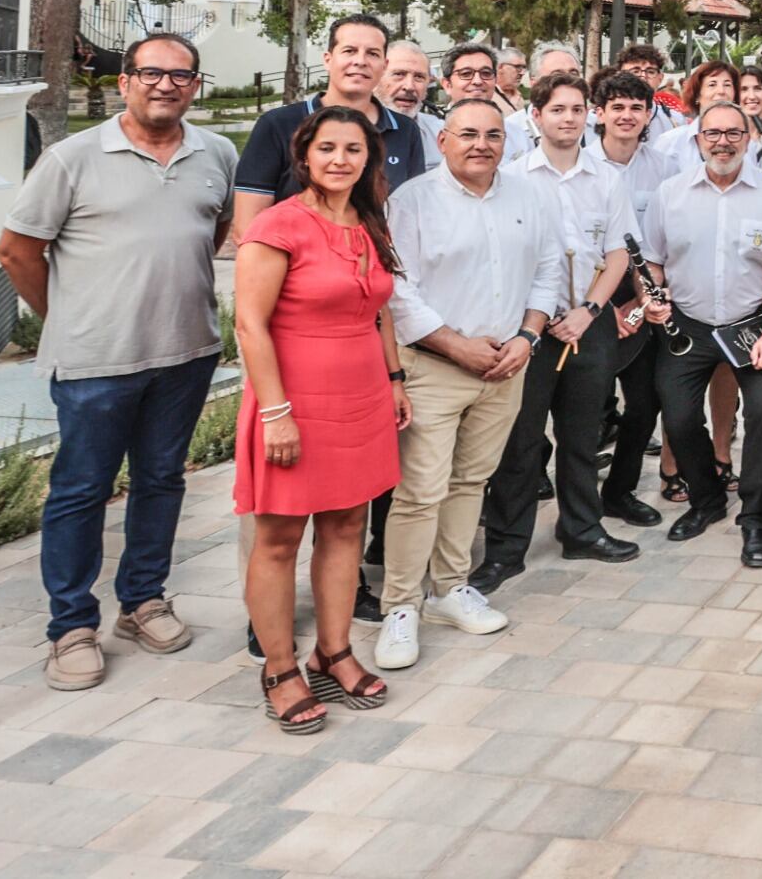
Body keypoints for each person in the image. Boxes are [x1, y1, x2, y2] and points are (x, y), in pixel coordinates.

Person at [0, 31, 236, 691]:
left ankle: (143, 601)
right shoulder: (73, 159)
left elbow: (212, 232)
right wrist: (71, 319)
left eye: (180, 75)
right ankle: (71, 626)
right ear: (123, 81)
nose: (166, 85)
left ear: (195, 85)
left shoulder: (215, 153)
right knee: (81, 492)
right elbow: (17, 250)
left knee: (162, 480)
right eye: (151, 73)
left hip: (186, 355)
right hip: (96, 364)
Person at [229, 106, 407, 731]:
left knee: (346, 525)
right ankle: (279, 668)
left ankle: (333, 651)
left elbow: (380, 308)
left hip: (360, 394)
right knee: (279, 537)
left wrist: (392, 380)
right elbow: (249, 324)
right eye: (327, 148)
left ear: (368, 159)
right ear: (304, 155)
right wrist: (276, 413)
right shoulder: (280, 225)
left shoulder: (368, 222)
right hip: (294, 399)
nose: (340, 160)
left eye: (353, 150)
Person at [373, 99, 565, 670]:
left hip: (507, 363)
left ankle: (448, 589)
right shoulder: (412, 202)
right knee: (419, 492)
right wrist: (457, 345)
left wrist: (529, 337)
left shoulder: (529, 195)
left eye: (493, 135)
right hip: (436, 364)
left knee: (469, 482)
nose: (481, 144)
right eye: (468, 134)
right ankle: (400, 605)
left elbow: (548, 269)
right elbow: (397, 289)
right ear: (443, 141)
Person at [474, 72, 641, 588]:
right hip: (529, 327)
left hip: (587, 323)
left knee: (582, 433)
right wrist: (539, 321)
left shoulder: (607, 177)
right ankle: (506, 547)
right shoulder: (515, 177)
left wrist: (590, 311)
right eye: (558, 109)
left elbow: (618, 252)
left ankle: (582, 530)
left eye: (577, 109)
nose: (568, 118)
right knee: (521, 439)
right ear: (536, 116)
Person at [642, 103, 762, 562]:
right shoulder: (670, 193)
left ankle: (755, 519)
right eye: (712, 133)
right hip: (687, 324)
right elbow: (652, 258)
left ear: (749, 138)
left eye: (733, 133)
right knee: (681, 417)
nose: (722, 141)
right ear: (698, 139)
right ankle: (707, 500)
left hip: (752, 325)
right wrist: (652, 296)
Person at [234, 15, 428, 237]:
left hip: (376, 266)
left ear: (384, 66)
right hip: (295, 267)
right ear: (328, 59)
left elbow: (410, 219)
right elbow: (248, 229)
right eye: (349, 51)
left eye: (372, 54)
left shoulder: (405, 130)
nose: (360, 61)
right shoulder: (277, 124)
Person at [590, 68, 670, 527]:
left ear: (648, 114)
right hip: (592, 297)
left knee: (644, 403)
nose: (626, 115)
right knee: (587, 411)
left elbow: (666, 241)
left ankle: (620, 491)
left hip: (644, 295)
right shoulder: (580, 165)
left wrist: (639, 305)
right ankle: (579, 503)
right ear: (599, 114)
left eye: (636, 108)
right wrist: (605, 306)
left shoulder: (666, 168)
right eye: (616, 107)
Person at [382, 42, 442, 154]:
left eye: (419, 77)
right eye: (399, 74)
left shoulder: (441, 133)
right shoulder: (351, 131)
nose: (409, 86)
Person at [616, 44, 681, 137]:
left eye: (650, 72)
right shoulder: (598, 119)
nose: (643, 77)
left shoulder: (675, 121)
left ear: (660, 78)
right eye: (635, 71)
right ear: (619, 76)